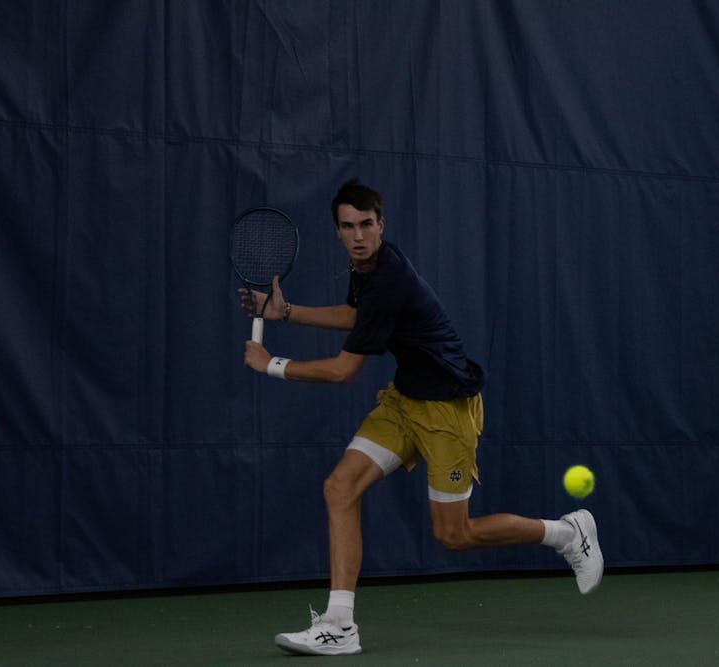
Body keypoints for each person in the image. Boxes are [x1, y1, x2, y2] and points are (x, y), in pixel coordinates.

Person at [241, 179, 603, 656]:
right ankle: (340, 624)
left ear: (380, 224)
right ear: (337, 231)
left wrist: (272, 364)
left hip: (447, 410)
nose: (358, 235)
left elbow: (344, 371)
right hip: (405, 400)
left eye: (366, 225)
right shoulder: (364, 270)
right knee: (339, 487)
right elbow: (357, 315)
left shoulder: (390, 279)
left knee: (454, 535)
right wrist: (288, 313)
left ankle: (565, 532)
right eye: (348, 227)